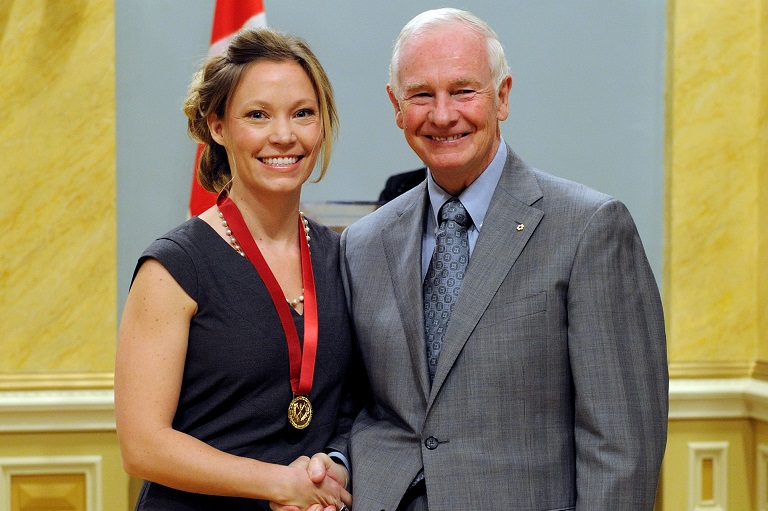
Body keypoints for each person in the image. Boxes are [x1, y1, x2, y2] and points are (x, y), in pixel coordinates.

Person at [309, 7, 668, 511]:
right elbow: (353, 407)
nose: (442, 114)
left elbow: (623, 444)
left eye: (463, 90)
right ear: (396, 106)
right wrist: (337, 466)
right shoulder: (364, 243)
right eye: (420, 95)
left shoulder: (590, 229)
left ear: (502, 96)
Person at [114, 27, 354, 511]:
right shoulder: (174, 266)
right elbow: (142, 445)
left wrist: (334, 466)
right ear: (218, 127)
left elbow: (355, 406)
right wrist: (276, 483)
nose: (284, 135)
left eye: (303, 113)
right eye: (258, 115)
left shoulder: (344, 255)